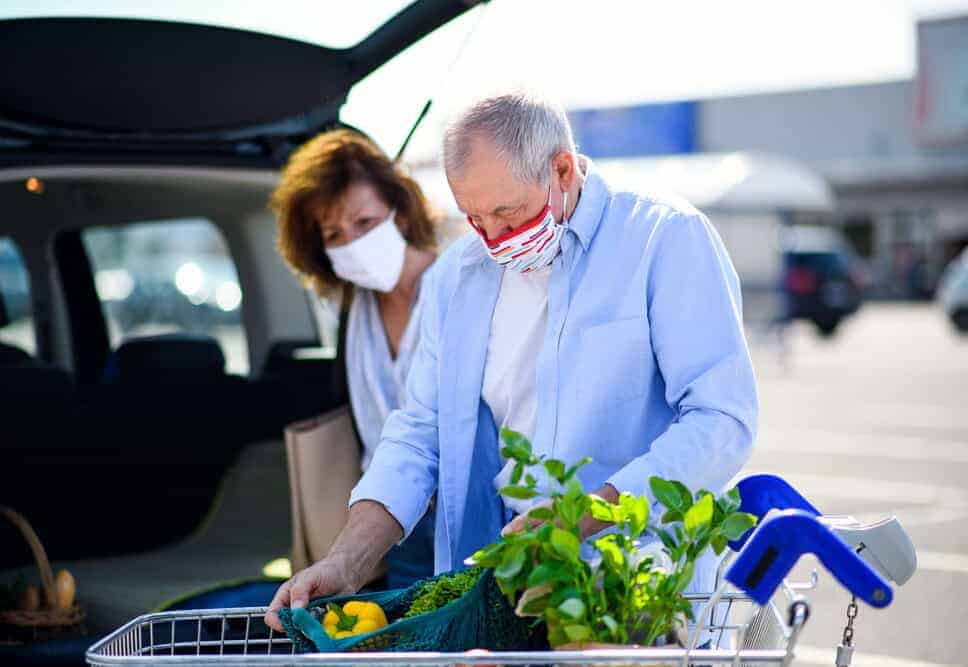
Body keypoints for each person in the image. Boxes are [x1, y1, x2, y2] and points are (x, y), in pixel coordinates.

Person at [265, 93, 758, 632]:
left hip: (638, 594)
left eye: (507, 213)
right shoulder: (455, 276)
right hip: (501, 600)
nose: (495, 240)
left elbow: (720, 421)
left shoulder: (664, 238)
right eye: (474, 218)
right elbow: (419, 433)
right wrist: (346, 561)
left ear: (562, 170)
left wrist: (585, 514)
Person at [269, 128, 440, 589]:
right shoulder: (353, 309)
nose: (352, 242)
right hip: (390, 527)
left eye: (364, 222)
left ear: (400, 212)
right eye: (334, 234)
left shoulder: (456, 286)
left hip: (464, 515)